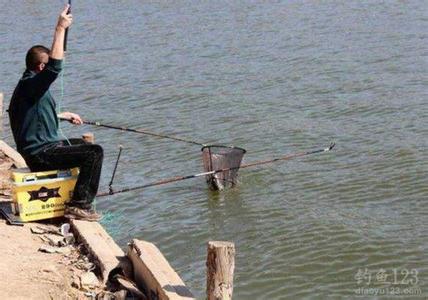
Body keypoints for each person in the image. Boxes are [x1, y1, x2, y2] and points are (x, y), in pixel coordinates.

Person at [8, 5, 103, 221]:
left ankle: (76, 195)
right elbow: (55, 68)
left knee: (85, 147)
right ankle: (79, 205)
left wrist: (62, 115)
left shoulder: (29, 87)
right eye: (47, 63)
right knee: (94, 153)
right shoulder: (30, 84)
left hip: (45, 149)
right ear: (41, 67)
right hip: (41, 154)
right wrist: (60, 28)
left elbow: (29, 115)